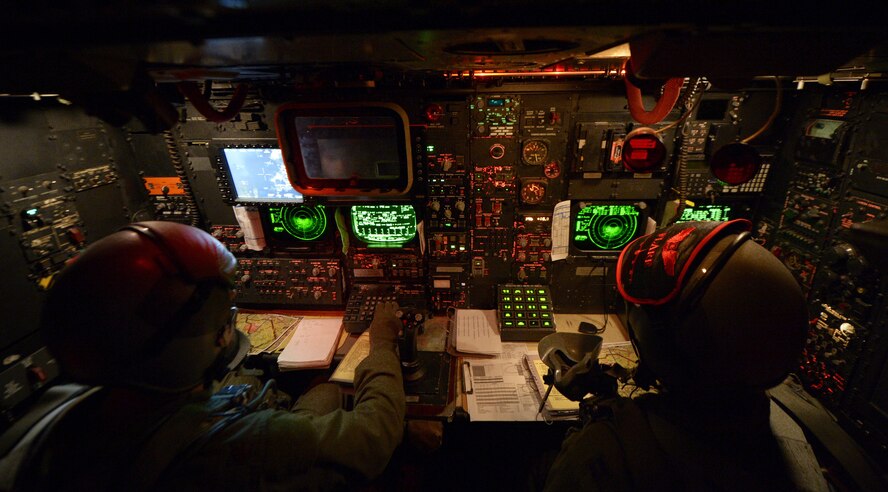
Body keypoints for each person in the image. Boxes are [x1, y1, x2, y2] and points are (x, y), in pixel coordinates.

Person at [17, 221, 406, 491]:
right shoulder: (235, 442)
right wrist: (382, 341)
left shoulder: (60, 411)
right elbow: (373, 439)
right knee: (340, 400)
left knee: (324, 391)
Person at [542, 219, 827, 491]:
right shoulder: (790, 429)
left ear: (657, 339)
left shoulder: (604, 453)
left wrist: (598, 412)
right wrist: (607, 394)